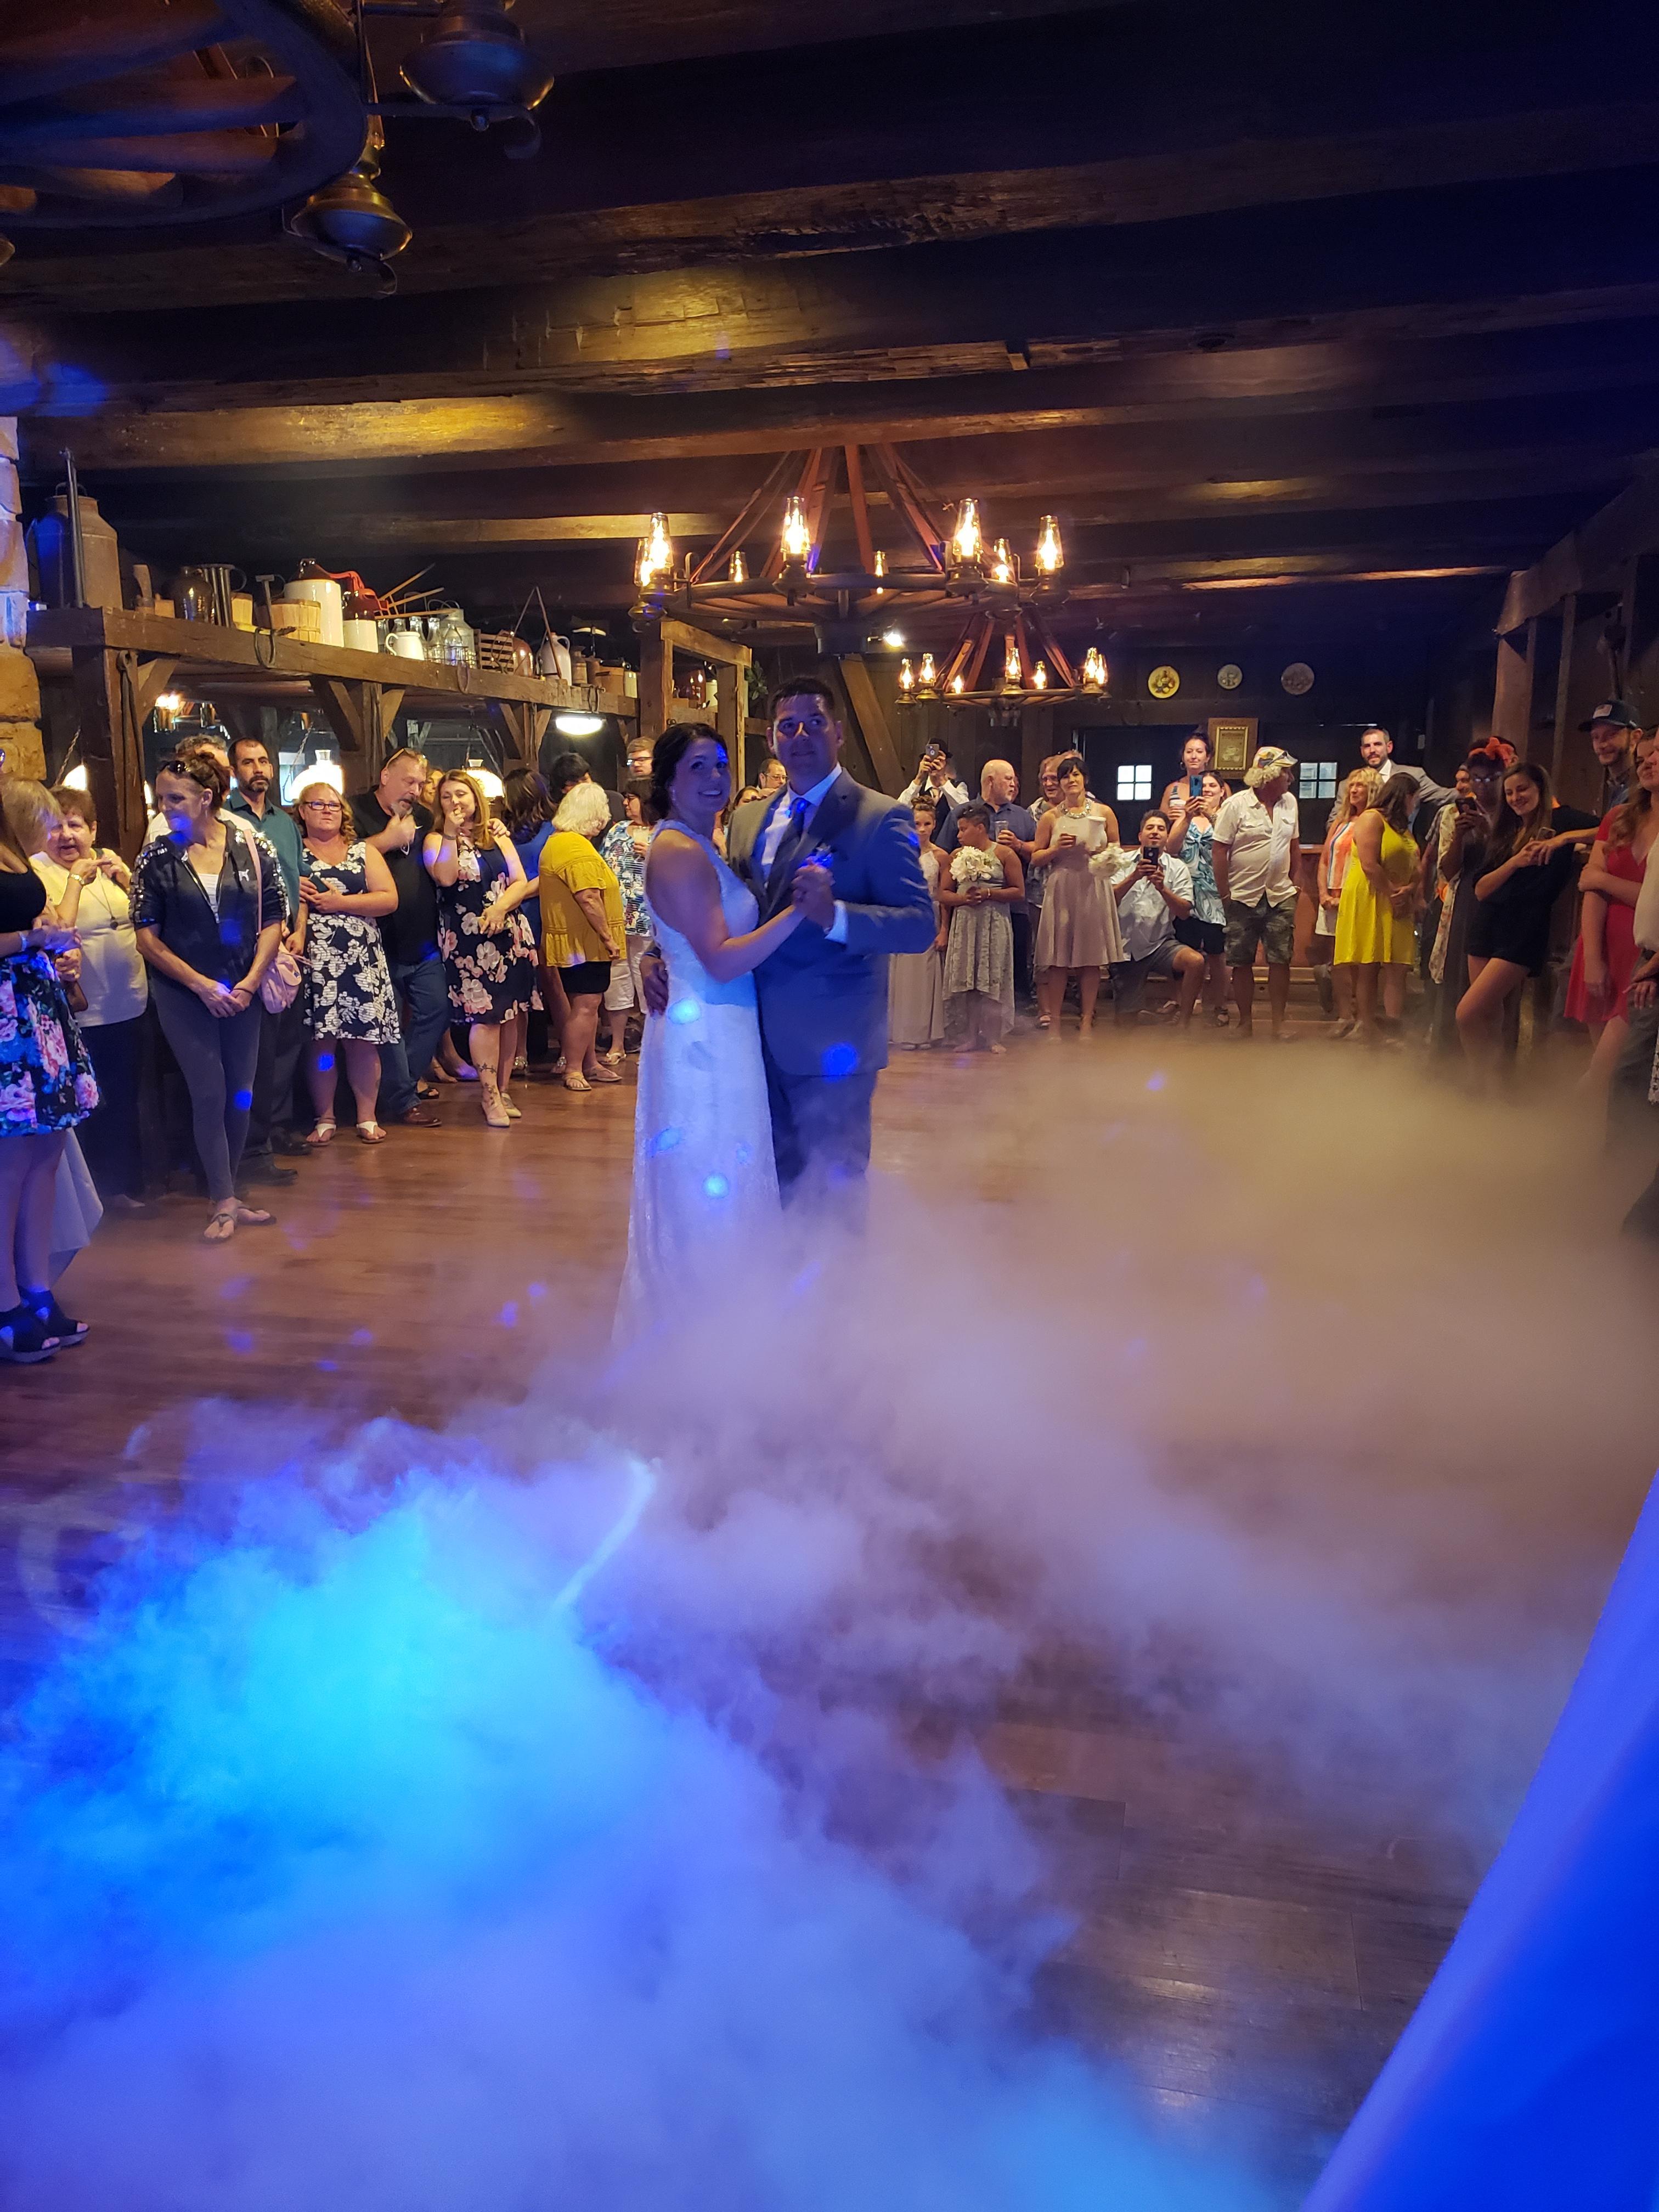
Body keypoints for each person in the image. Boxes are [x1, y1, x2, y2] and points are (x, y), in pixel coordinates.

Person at [657, 681, 934, 1213]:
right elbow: (721, 906)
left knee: (834, 1194)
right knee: (769, 1187)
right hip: (744, 1037)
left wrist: (837, 917)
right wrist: (661, 954)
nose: (801, 735)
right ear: (772, 739)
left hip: (833, 1042)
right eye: (788, 726)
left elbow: (919, 926)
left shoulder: (880, 817)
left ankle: (840, 1273)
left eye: (815, 723)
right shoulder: (746, 819)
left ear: (839, 733)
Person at [619, 724, 811, 1321]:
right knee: (710, 1168)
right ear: (670, 783)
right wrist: (798, 913)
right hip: (703, 1036)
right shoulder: (679, 850)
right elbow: (721, 959)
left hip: (718, 1026)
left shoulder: (702, 843)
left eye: (721, 765)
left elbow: (680, 932)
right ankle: (710, 1320)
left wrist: (654, 954)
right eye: (698, 767)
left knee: (726, 1165)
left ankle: (733, 1316)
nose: (715, 778)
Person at [131, 751, 285, 1243]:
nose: (165, 807)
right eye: (160, 798)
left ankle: (232, 1192)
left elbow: (273, 918)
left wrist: (250, 982)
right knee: (209, 1092)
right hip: (184, 992)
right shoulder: (156, 857)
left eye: (175, 798)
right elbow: (146, 938)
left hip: (243, 988)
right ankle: (221, 1197)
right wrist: (200, 984)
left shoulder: (252, 845)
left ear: (207, 798)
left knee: (241, 1093)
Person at [0, 781, 97, 1358]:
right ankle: (6, 1302)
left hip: (37, 1007)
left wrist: (56, 942)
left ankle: (37, 1288)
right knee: (10, 1166)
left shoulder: (17, 854)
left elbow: (48, 920)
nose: (55, 830)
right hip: (7, 1017)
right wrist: (31, 938)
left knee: (46, 1156)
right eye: (47, 818)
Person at [30, 785, 147, 1210]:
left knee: (123, 1098)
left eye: (75, 825)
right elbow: (56, 929)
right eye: (55, 826)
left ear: (93, 830)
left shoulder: (109, 865)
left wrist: (127, 878)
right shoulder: (37, 872)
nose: (66, 835)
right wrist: (77, 879)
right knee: (86, 1105)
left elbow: (145, 915)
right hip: (79, 1013)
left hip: (130, 1004)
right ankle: (91, 1198)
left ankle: (121, 1188)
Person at [1456, 760, 1592, 1082]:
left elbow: (1613, 827)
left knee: (1467, 1014)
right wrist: (1516, 861)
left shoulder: (1562, 820)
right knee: (1489, 1016)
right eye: (1510, 793)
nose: (1516, 798)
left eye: (1523, 790)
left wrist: (1563, 840)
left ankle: (1478, 1085)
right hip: (1487, 925)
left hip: (1525, 929)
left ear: (1540, 789)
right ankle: (1494, 1087)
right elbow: (1481, 889)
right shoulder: (1507, 831)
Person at [424, 770, 538, 1127]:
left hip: (508, 933)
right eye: (446, 796)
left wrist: (501, 908)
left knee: (510, 1015)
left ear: (476, 798)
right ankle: (488, 1095)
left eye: (461, 794)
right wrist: (450, 832)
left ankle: (503, 1090)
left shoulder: (496, 835)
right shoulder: (435, 840)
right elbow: (445, 878)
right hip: (469, 940)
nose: (455, 801)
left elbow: (520, 881)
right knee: (486, 1018)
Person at [291, 782, 401, 1144]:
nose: (327, 810)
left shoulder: (363, 851)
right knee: (322, 1042)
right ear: (302, 811)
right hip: (316, 960)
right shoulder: (294, 853)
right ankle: (325, 1117)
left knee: (362, 1041)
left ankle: (367, 1117)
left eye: (334, 805)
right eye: (318, 804)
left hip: (361, 960)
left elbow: (389, 899)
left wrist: (341, 903)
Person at [225, 735, 308, 1181]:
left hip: (289, 943)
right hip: (250, 946)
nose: (257, 768)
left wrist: (300, 928)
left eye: (262, 761)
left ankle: (277, 1127)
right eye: (247, 762)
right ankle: (253, 1146)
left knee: (287, 1043)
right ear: (234, 771)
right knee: (257, 1051)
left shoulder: (284, 823)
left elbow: (300, 882)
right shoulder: (227, 819)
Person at [353, 748, 445, 1129]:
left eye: (421, 784)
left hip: (422, 938)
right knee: (388, 1024)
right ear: (385, 776)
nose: (416, 791)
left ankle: (397, 1088)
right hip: (377, 941)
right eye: (409, 782)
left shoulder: (423, 817)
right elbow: (337, 859)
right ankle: (404, 1100)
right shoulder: (355, 811)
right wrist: (386, 840)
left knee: (436, 1010)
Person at [1563, 732, 1657, 1096]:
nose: (1647, 764)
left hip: (1643, 954)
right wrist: (1592, 959)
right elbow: (1590, 889)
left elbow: (1649, 900)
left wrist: (1604, 879)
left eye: (1656, 755)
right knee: (1602, 1071)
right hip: (1602, 946)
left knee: (1604, 1071)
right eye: (1642, 759)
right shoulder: (1619, 818)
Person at [538, 779, 625, 1095]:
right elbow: (588, 896)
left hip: (578, 941)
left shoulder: (560, 842)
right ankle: (574, 1067)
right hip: (584, 942)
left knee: (585, 1004)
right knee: (587, 1005)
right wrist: (608, 938)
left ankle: (590, 1063)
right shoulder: (574, 846)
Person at [1212, 746, 1302, 1041]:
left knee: (1281, 959)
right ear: (1270, 775)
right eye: (1285, 772)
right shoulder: (1235, 805)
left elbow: (1294, 847)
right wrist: (1225, 894)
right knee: (1241, 961)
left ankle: (1279, 1024)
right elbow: (1219, 850)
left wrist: (1295, 885)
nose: (1290, 777)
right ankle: (1245, 1023)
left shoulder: (1290, 803)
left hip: (1280, 894)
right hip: (1242, 896)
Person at [1029, 753, 1120, 1037]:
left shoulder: (1104, 812)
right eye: (1065, 776)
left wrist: (1099, 853)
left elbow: (1116, 849)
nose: (1070, 780)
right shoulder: (1051, 817)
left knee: (1090, 959)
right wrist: (1057, 850)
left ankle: (1086, 1020)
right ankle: (1055, 1022)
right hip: (1063, 886)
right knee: (1059, 960)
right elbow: (1036, 857)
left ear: (1085, 779)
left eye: (1076, 775)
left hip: (1093, 886)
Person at [1431, 743, 1510, 1055]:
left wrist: (1489, 832)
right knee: (1459, 975)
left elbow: (1511, 858)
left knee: (1493, 987)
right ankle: (1451, 1059)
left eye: (1491, 779)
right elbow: (1449, 871)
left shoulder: (1513, 812)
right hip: (1466, 900)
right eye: (1477, 779)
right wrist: (1460, 837)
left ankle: (1497, 1062)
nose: (1483, 786)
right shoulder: (1455, 813)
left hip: (1503, 899)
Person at [936, 760, 1037, 1001]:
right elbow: (944, 853)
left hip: (1011, 910)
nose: (1014, 784)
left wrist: (1018, 845)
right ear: (991, 781)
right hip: (967, 912)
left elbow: (1039, 850)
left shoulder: (1022, 816)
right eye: (1008, 779)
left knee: (1011, 969)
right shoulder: (962, 812)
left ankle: (1013, 1018)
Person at [1333, 773, 1421, 1047]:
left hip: (1398, 898)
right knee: (1369, 964)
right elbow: (1369, 864)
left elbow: (1417, 866)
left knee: (1398, 964)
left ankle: (1393, 1028)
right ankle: (1367, 1027)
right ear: (1404, 796)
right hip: (1373, 895)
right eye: (1414, 799)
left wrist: (1410, 889)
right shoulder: (1372, 818)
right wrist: (1393, 893)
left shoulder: (1402, 828)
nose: (1415, 805)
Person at [938, 800, 1023, 1052]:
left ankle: (993, 1037)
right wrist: (964, 899)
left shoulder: (1005, 854)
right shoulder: (956, 856)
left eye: (964, 829)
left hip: (994, 923)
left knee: (992, 978)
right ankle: (971, 1036)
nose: (959, 835)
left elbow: (1019, 892)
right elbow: (943, 894)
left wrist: (988, 894)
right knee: (969, 981)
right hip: (965, 923)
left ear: (980, 828)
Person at [1107, 810, 1204, 1026]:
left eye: (1161, 829)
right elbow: (1107, 901)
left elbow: (1184, 912)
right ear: (1140, 835)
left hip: (1160, 944)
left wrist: (1163, 888)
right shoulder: (1121, 862)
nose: (1155, 832)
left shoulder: (1177, 867)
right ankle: (1141, 1016)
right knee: (1125, 1024)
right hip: (1126, 949)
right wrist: (1134, 877)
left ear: (1167, 837)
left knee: (1195, 962)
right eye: (1150, 828)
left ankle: (1184, 1026)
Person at [501, 768, 563, 1076]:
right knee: (518, 983)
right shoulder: (506, 828)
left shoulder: (552, 829)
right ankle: (519, 1052)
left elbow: (550, 873)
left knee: (551, 981)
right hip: (512, 909)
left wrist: (518, 893)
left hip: (538, 907)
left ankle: (569, 1049)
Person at [1313, 768, 1383, 1036]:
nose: (1353, 791)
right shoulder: (1341, 822)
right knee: (1338, 961)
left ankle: (1364, 1018)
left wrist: (1345, 897)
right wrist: (1323, 894)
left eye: (1360, 786)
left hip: (1357, 897)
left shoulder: (1376, 821)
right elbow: (1325, 860)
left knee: (1360, 961)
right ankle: (1344, 1016)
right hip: (1331, 897)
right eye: (1351, 786)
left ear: (1372, 789)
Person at [1162, 771, 1231, 1027]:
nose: (1207, 790)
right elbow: (1171, 848)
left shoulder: (1227, 816)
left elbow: (1232, 846)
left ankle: (1220, 1007)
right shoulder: (1185, 816)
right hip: (1186, 894)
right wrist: (1188, 817)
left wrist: (1211, 816)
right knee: (1186, 950)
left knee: (1217, 954)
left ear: (1222, 791)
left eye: (1213, 786)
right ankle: (1185, 1007)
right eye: (1202, 786)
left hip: (1216, 895)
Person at [599, 776, 653, 1062]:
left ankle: (652, 1044)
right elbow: (603, 865)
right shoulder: (617, 830)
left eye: (631, 798)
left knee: (647, 978)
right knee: (617, 981)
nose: (626, 804)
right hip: (616, 918)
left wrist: (653, 855)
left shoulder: (665, 832)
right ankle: (617, 1044)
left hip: (648, 919)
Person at [888, 797, 947, 1048]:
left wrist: (944, 929)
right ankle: (901, 1031)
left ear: (934, 825)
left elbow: (944, 896)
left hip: (929, 915)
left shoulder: (941, 856)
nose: (922, 829)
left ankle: (923, 1032)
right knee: (902, 975)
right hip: (904, 914)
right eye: (917, 824)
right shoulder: (898, 851)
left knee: (924, 973)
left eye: (927, 824)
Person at [1581, 701, 1642, 812]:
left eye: (1611, 735)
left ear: (1635, 737)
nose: (1602, 745)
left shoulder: (1645, 788)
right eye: (1596, 737)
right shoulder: (1617, 785)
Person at [1158, 731, 1217, 823]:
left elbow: (1229, 821)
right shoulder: (1172, 788)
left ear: (1208, 757)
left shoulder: (1218, 787)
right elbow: (1160, 822)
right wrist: (1168, 818)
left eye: (1199, 752)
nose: (1194, 756)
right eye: (1189, 752)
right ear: (1183, 757)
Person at [898, 741, 968, 814]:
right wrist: (918, 779)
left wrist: (942, 779)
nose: (934, 764)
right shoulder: (918, 789)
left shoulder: (958, 786)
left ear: (946, 763)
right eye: (930, 760)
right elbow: (900, 810)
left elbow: (965, 811)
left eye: (939, 760)